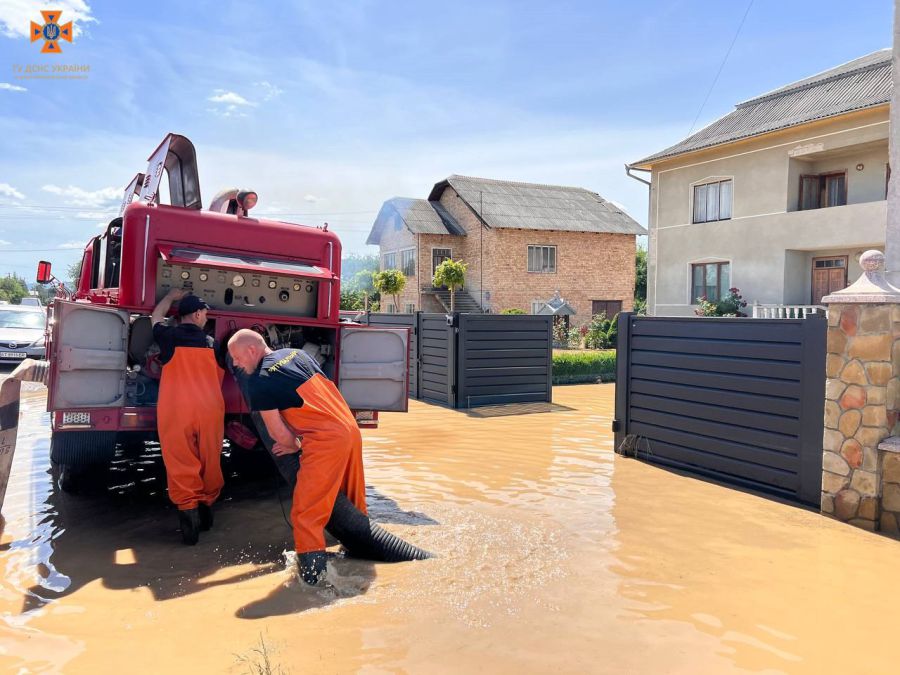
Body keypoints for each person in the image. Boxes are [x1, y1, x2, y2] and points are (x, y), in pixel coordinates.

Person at [227, 329, 367, 585]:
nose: (235, 363)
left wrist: (293, 446)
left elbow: (278, 434)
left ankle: (314, 583)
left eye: (236, 357)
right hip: (350, 430)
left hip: (325, 442)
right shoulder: (298, 354)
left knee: (306, 514)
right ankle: (363, 555)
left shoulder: (259, 380)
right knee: (352, 501)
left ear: (251, 350)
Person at [150, 289, 225, 545]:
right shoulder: (212, 344)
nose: (206, 317)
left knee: (181, 462)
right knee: (210, 460)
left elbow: (155, 316)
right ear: (195, 314)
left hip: (177, 409)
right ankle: (207, 515)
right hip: (210, 409)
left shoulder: (167, 337)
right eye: (205, 313)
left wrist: (170, 297)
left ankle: (190, 529)